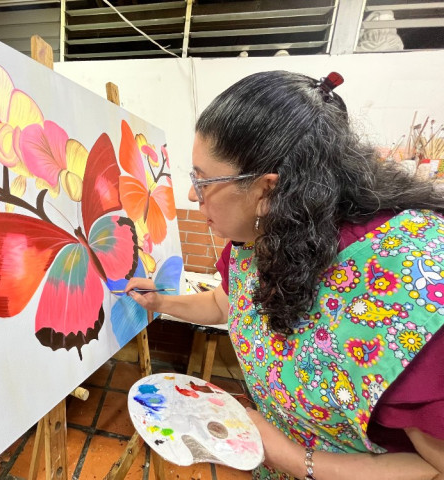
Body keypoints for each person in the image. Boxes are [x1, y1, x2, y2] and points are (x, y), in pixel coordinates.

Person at [125, 70, 444, 480]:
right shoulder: (260, 233)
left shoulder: (407, 287)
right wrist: (162, 303)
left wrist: (292, 458)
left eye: (202, 182)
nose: (191, 195)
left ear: (266, 191)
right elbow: (228, 303)